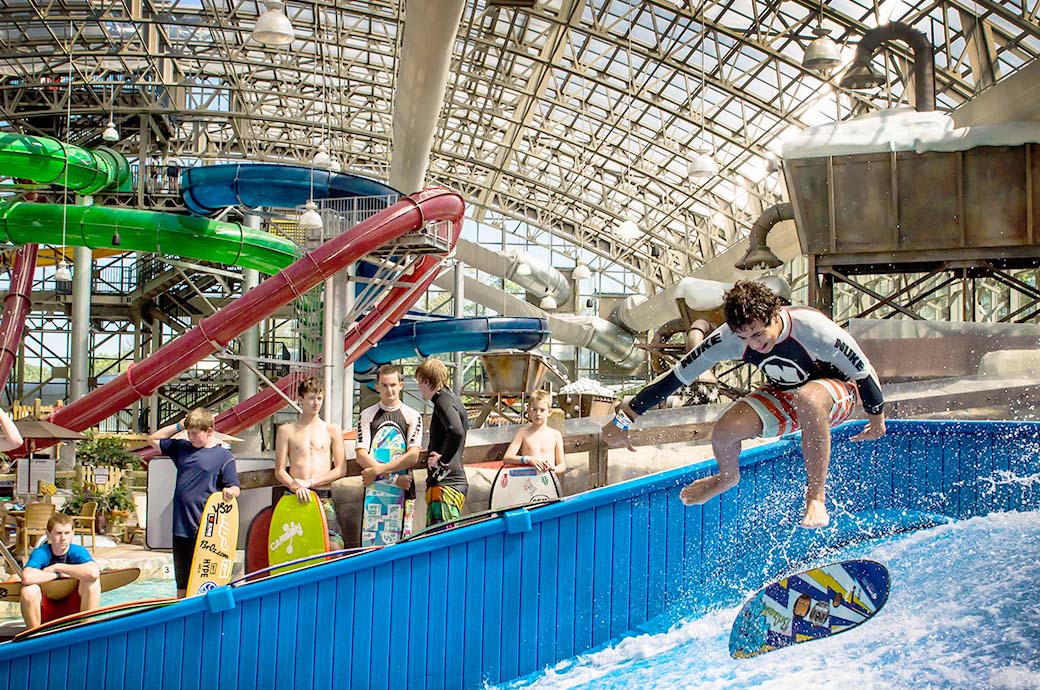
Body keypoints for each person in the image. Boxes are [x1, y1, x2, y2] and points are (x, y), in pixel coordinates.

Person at [602, 280, 886, 528]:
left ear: (774, 315)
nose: (754, 344)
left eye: (759, 335)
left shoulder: (813, 329)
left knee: (808, 398)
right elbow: (677, 377)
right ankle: (727, 477)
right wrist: (624, 419)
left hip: (838, 392)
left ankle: (815, 497)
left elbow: (863, 371)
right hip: (784, 391)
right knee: (725, 431)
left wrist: (876, 419)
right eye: (744, 337)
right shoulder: (729, 338)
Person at [148, 407, 240, 598]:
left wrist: (230, 491)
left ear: (209, 431)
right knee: (182, 582)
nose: (191, 437)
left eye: (195, 433)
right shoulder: (182, 448)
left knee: (204, 581)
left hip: (207, 529)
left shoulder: (223, 456)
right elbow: (153, 439)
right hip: (181, 526)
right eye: (189, 432)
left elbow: (234, 486)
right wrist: (179, 425)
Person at [274, 376, 347, 548]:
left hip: (322, 495)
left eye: (319, 398)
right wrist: (296, 486)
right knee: (294, 547)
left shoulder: (332, 430)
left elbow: (341, 469)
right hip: (294, 496)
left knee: (334, 545)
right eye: (311, 398)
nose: (316, 403)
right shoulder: (286, 430)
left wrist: (311, 482)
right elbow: (279, 470)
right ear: (301, 400)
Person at [20, 513, 100, 629]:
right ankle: (34, 634)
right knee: (28, 590)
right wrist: (57, 574)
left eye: (67, 533)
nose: (63, 538)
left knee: (92, 583)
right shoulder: (42, 552)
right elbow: (27, 577)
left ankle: (86, 628)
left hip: (73, 607)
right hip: (45, 607)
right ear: (48, 534)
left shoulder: (77, 551)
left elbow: (93, 573)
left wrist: (58, 567)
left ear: (72, 533)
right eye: (58, 533)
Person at [415, 359, 469, 526]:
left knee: (443, 536)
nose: (418, 388)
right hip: (448, 482)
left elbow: (456, 430)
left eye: (419, 382)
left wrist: (443, 459)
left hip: (447, 483)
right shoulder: (450, 399)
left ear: (426, 381)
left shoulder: (442, 401)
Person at [357, 364, 422, 491]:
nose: (389, 390)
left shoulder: (413, 415)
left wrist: (376, 471)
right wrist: (394, 478)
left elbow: (412, 456)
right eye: (384, 385)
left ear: (401, 386)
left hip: (404, 489)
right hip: (375, 490)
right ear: (377, 387)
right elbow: (361, 455)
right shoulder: (366, 415)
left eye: (393, 385)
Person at [503, 390, 565, 476]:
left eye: (542, 410)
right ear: (528, 411)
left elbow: (562, 465)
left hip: (549, 481)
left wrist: (553, 469)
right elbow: (507, 457)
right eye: (534, 409)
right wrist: (528, 459)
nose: (538, 413)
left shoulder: (556, 435)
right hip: (528, 481)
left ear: (549, 412)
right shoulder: (522, 433)